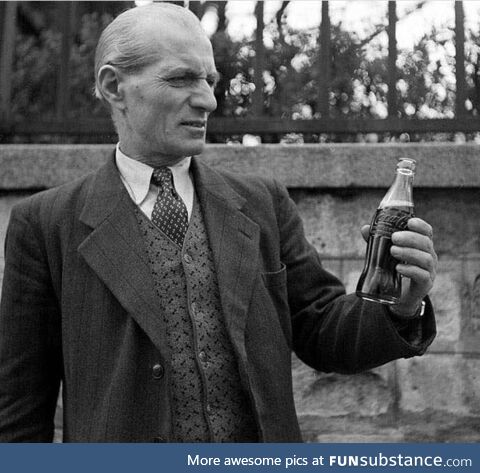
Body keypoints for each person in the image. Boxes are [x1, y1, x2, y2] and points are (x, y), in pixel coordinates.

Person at [0, 3, 437, 442]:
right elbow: (18, 413)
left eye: (209, 81)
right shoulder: (45, 225)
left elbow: (322, 331)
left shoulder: (262, 203)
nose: (208, 100)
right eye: (181, 78)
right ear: (114, 86)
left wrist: (400, 307)